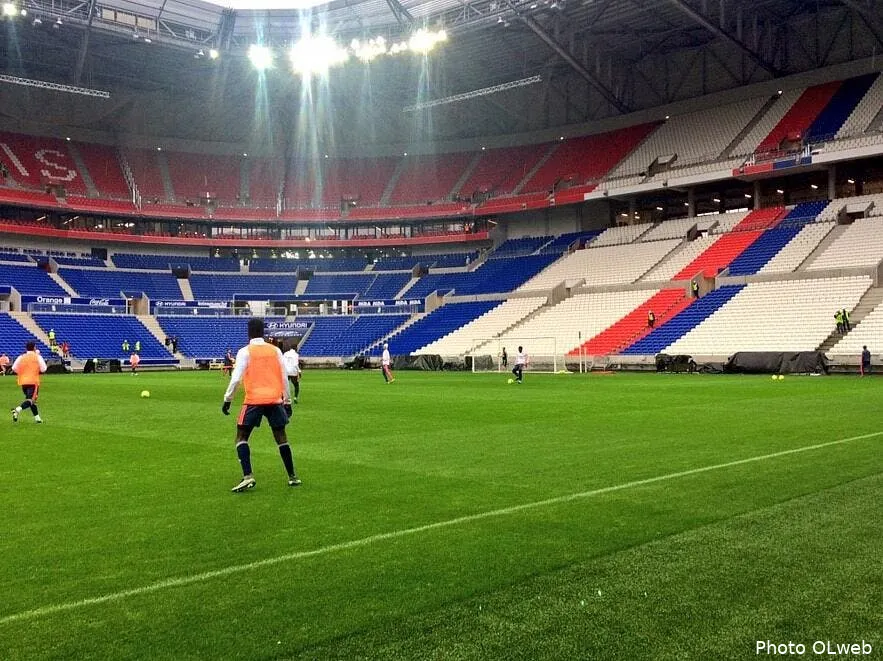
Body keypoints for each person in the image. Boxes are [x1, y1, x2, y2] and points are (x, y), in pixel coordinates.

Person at [222, 317, 299, 492]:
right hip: (274, 400)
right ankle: (292, 476)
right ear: (263, 332)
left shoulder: (245, 351)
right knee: (281, 437)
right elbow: (283, 378)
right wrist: (286, 401)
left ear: (249, 332)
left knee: (241, 437)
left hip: (254, 400)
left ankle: (248, 476)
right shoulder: (275, 351)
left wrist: (228, 400)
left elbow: (236, 379)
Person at [11, 341, 47, 424]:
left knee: (31, 400)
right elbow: (43, 369)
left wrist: (23, 372)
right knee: (31, 400)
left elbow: (14, 368)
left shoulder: (21, 357)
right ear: (34, 347)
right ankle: (17, 410)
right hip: (33, 381)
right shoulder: (37, 357)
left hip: (23, 382)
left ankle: (37, 419)